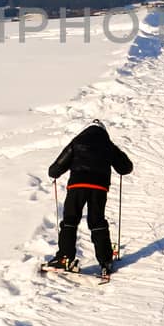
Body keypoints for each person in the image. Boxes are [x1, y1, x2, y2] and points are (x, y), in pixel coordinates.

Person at [44, 119, 133, 281]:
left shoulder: (77, 141)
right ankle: (105, 261)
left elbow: (56, 167)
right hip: (99, 188)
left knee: (70, 220)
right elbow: (126, 167)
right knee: (97, 222)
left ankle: (65, 257)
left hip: (77, 185)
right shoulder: (108, 145)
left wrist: (54, 173)